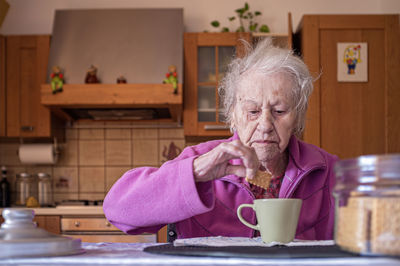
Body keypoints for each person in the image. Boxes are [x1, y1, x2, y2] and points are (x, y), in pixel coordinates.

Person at [103, 38, 338, 241]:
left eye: (280, 111)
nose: (265, 125)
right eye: (253, 111)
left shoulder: (327, 170)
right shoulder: (200, 160)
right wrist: (195, 173)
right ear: (232, 115)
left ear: (298, 115)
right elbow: (117, 211)